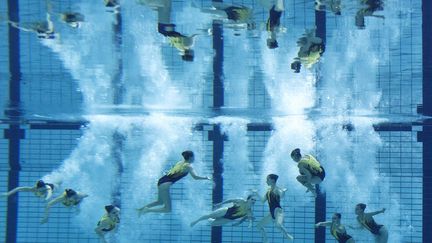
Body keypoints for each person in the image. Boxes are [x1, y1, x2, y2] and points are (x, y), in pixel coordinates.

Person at [137, 151, 211, 215]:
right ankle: (147, 210)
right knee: (168, 209)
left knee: (160, 202)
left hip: (161, 181)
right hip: (165, 184)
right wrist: (206, 178)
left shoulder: (180, 162)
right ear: (191, 157)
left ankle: (141, 209)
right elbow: (195, 177)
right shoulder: (189, 166)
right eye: (194, 157)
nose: (194, 159)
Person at [256, 174, 294, 243]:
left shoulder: (277, 189)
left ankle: (287, 235)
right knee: (259, 226)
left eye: (267, 179)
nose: (266, 181)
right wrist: (256, 193)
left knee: (278, 225)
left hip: (278, 211)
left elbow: (281, 195)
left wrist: (283, 192)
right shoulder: (268, 191)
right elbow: (262, 201)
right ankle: (265, 240)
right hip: (271, 214)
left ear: (272, 180)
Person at [190, 195, 256, 227]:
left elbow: (245, 218)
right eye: (252, 199)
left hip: (229, 219)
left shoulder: (249, 212)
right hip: (226, 211)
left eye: (255, 200)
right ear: (248, 199)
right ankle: (196, 221)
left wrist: (238, 223)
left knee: (212, 223)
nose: (253, 201)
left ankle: (210, 219)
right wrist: (220, 204)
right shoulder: (241, 201)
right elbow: (230, 200)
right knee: (210, 215)